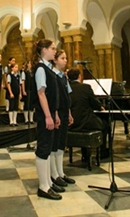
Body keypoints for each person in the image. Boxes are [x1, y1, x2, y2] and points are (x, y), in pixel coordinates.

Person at [31, 39, 62, 200]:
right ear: (43, 50)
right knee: (43, 148)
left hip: (50, 113)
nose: (54, 51)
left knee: (49, 147)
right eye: (52, 48)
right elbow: (41, 93)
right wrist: (48, 116)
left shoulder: (48, 68)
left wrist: (55, 114)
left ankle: (48, 182)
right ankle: (43, 187)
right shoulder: (41, 69)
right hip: (44, 114)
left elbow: (52, 96)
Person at [67, 68, 108, 159]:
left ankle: (85, 154)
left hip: (70, 124)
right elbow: (94, 103)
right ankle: (103, 152)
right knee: (105, 124)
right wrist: (100, 107)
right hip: (85, 122)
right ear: (79, 76)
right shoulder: (85, 87)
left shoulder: (66, 88)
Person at [50, 49, 75, 190]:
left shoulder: (64, 77)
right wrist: (56, 113)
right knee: (54, 144)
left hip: (65, 112)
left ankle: (61, 172)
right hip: (57, 112)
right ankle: (54, 174)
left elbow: (67, 96)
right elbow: (54, 97)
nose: (66, 60)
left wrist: (69, 113)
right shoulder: (52, 75)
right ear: (55, 60)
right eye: (63, 58)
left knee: (61, 143)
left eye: (66, 58)